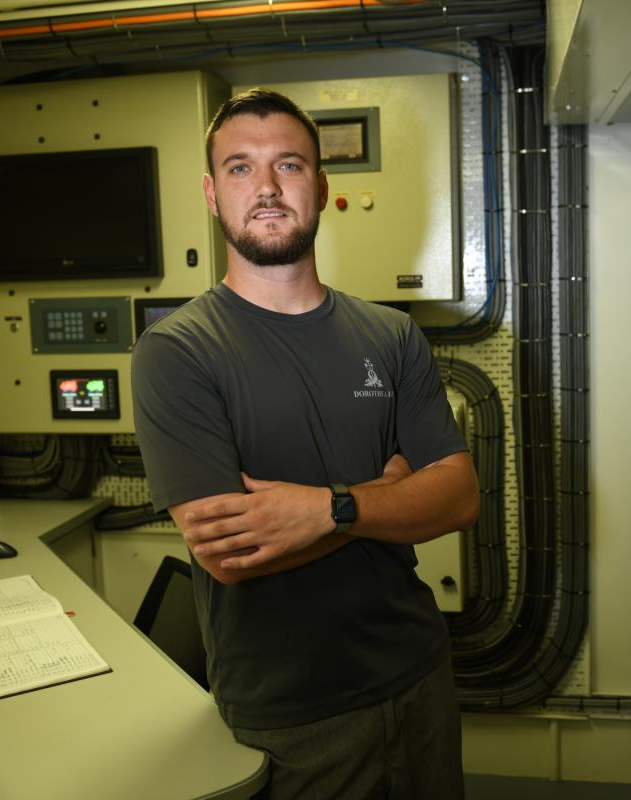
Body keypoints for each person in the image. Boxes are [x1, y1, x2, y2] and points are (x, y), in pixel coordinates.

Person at [131, 88, 479, 800]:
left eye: (288, 165)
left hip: (419, 679)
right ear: (211, 193)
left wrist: (329, 510)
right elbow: (231, 555)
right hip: (289, 717)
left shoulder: (390, 335)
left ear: (319, 186)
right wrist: (386, 495)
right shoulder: (176, 353)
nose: (265, 188)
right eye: (239, 168)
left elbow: (461, 495)